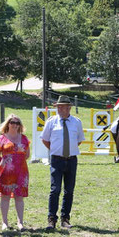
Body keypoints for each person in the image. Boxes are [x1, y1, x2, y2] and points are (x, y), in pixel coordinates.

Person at [41, 95, 85, 229]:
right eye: (58, 107)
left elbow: (79, 140)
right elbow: (45, 139)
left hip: (71, 160)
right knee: (55, 189)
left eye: (62, 107)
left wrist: (68, 150)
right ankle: (51, 219)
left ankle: (65, 218)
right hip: (56, 160)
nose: (59, 109)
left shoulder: (76, 122)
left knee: (69, 190)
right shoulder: (51, 121)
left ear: (69, 108)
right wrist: (56, 149)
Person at [0, 114, 30, 231]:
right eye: (12, 122)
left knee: (19, 196)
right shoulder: (1, 138)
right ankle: (5, 222)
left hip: (21, 171)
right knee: (5, 196)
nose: (14, 125)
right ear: (8, 124)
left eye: (17, 123)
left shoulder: (24, 138)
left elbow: (27, 155)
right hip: (5, 172)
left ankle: (20, 223)